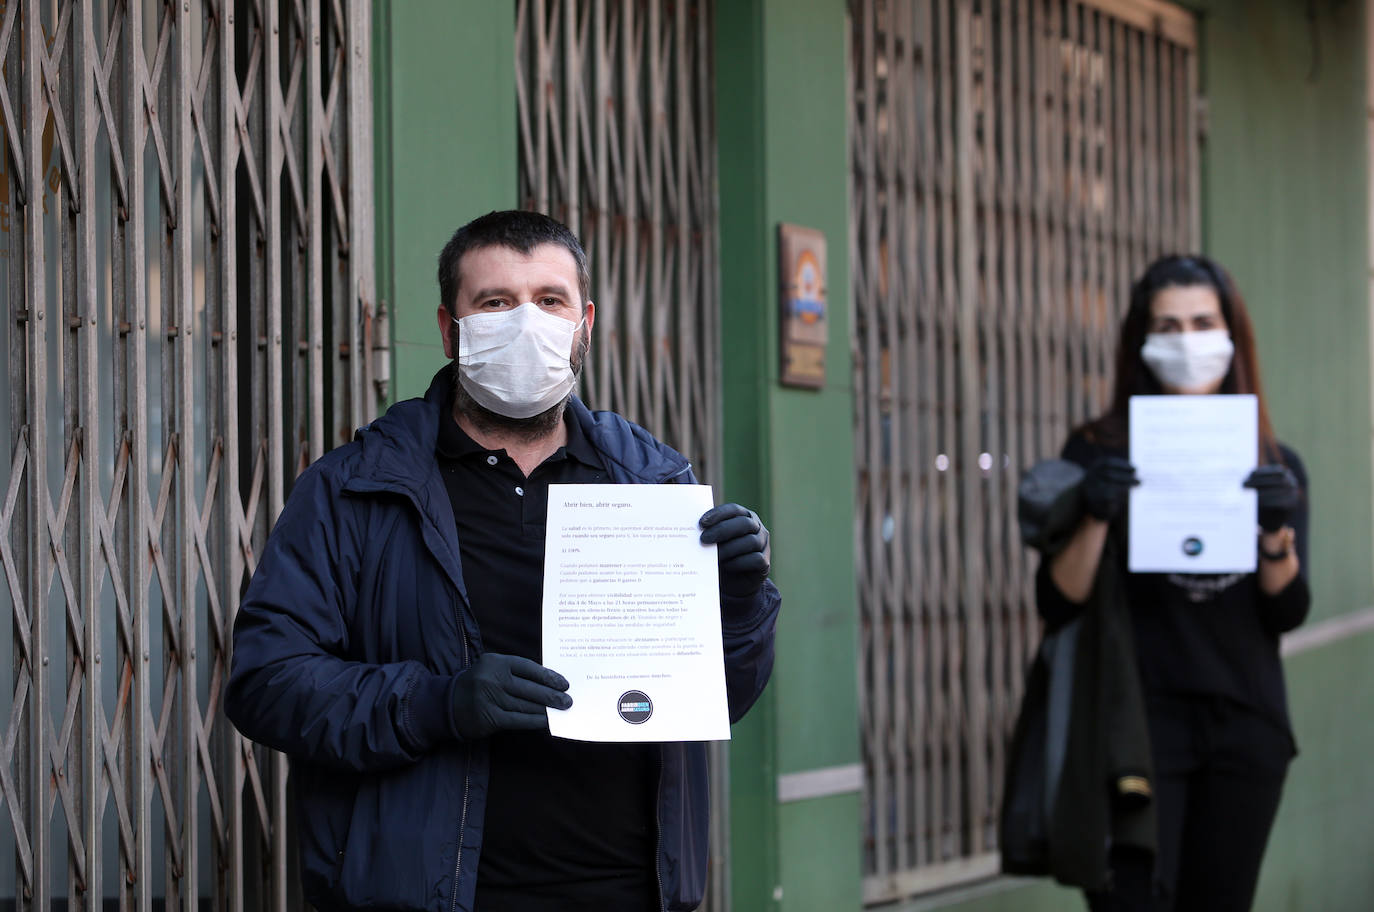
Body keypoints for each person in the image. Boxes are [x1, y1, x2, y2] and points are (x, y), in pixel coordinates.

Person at [225, 210, 781, 912]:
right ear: (450, 326)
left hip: (630, 893)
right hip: (435, 896)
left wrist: (740, 604)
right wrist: (437, 704)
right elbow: (266, 683)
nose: (526, 323)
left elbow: (718, 696)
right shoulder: (356, 488)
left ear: (583, 323)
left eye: (549, 301)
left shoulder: (652, 484)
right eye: (495, 302)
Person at [1039, 254, 1308, 912]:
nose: (1187, 342)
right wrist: (1096, 513)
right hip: (1133, 732)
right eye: (1167, 326)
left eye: (1202, 322)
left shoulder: (1274, 462)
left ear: (1231, 333)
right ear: (1141, 340)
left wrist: (1274, 532)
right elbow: (1057, 600)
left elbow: (1289, 611)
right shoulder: (1096, 450)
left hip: (1243, 730)